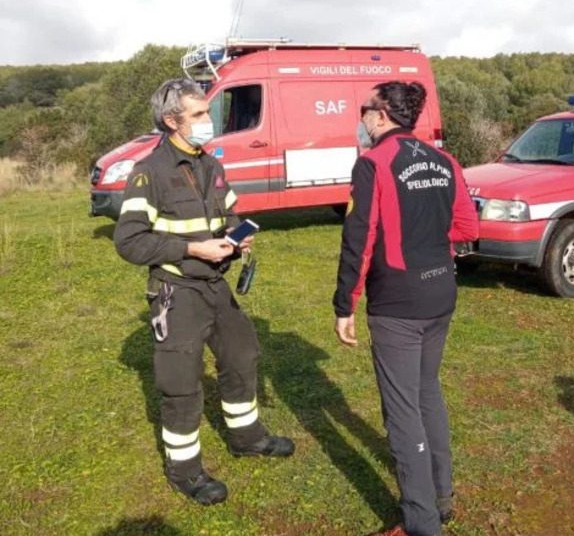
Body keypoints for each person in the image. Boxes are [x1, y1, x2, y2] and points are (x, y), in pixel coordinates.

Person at [113, 78, 294, 506]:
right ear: (171, 120)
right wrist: (191, 248)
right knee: (180, 384)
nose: (207, 121)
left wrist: (235, 235)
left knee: (241, 354)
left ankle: (246, 438)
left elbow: (227, 211)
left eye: (205, 113)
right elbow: (129, 241)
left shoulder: (211, 165)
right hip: (177, 292)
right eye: (197, 115)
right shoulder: (149, 173)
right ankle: (185, 471)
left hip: (216, 286)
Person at [332, 81, 479, 536]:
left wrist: (345, 303)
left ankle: (422, 523)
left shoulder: (373, 163)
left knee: (402, 411)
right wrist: (428, 243)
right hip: (440, 294)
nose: (361, 118)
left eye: (364, 109)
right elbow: (467, 226)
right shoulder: (445, 160)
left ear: (381, 116)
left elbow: (359, 237)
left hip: (399, 301)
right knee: (426, 391)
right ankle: (441, 496)